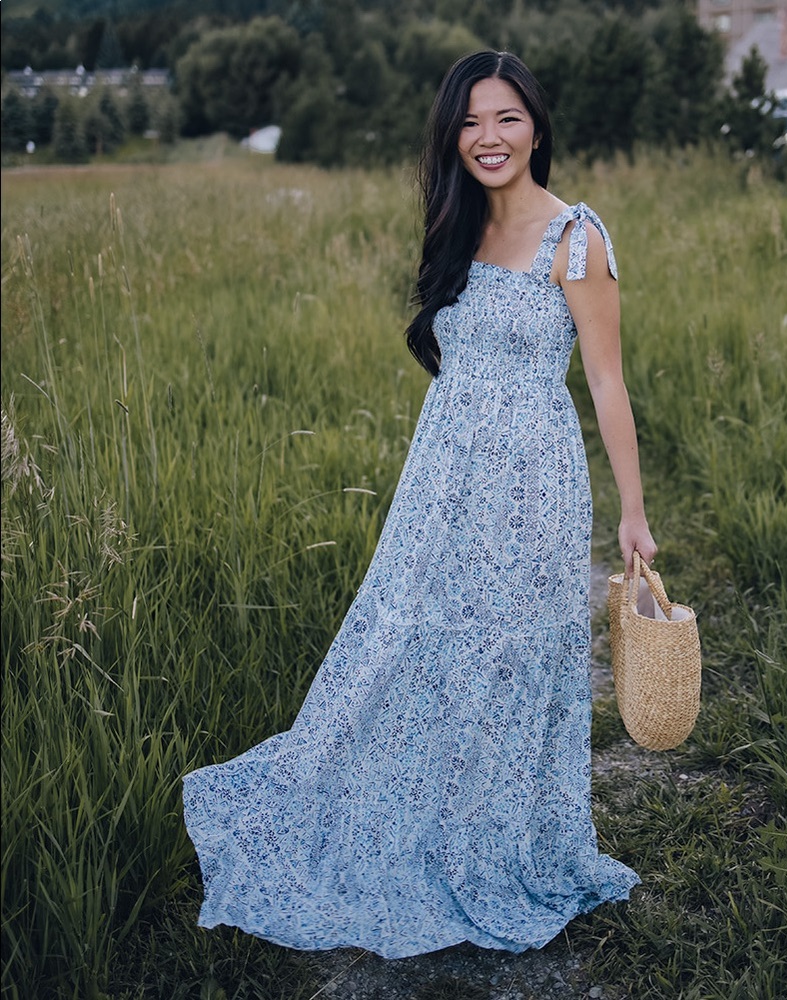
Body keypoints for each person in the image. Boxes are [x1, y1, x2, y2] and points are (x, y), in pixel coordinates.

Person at [183, 49, 657, 959]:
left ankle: (498, 842)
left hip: (529, 483)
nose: (489, 137)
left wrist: (632, 514)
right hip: (441, 479)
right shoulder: (459, 225)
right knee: (415, 645)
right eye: (471, 121)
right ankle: (417, 823)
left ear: (537, 128)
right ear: (453, 135)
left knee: (507, 657)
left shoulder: (578, 237)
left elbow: (607, 386)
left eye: (507, 118)